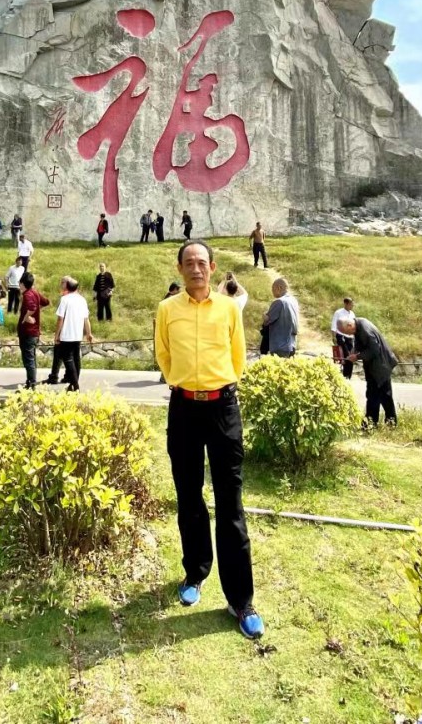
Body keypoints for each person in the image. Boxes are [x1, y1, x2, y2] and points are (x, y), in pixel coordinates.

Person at [155, 240, 264, 640]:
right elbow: (163, 356)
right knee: (188, 494)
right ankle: (195, 572)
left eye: (202, 262)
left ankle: (240, 599)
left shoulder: (229, 308)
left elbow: (238, 358)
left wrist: (218, 387)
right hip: (183, 408)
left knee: (230, 502)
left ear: (213, 268)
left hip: (222, 409)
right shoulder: (167, 310)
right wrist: (186, 386)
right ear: (181, 269)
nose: (196, 268)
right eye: (189, 263)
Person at [343, 318, 398, 428]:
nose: (350, 334)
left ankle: (385, 423)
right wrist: (352, 354)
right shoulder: (359, 326)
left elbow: (374, 349)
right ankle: (371, 423)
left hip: (381, 366)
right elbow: (360, 344)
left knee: (383, 396)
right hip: (375, 366)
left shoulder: (364, 329)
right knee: (374, 395)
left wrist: (357, 356)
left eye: (348, 332)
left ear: (350, 325)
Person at [53, 276, 93, 392]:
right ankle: (73, 384)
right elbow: (86, 319)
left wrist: (57, 335)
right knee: (76, 360)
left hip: (67, 334)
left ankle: (75, 386)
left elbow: (60, 319)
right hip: (77, 334)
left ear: (67, 287)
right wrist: (88, 333)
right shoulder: (82, 300)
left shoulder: (65, 299)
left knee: (68, 360)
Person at [18, 272, 50, 389]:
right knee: (31, 357)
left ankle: (31, 382)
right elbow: (46, 302)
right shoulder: (35, 292)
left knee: (28, 359)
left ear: (22, 283)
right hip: (34, 332)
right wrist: (37, 312)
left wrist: (26, 318)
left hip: (28, 332)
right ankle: (31, 380)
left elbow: (32, 308)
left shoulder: (27, 294)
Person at [264, 277, 299, 357]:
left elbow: (267, 321)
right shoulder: (294, 301)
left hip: (279, 346)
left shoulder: (279, 302)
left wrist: (264, 316)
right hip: (292, 344)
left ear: (279, 288)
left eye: (273, 288)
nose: (272, 291)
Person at [331, 297, 356, 378]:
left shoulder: (352, 313)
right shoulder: (338, 312)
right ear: (346, 304)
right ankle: (345, 375)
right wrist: (333, 336)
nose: (352, 306)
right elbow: (334, 325)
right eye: (350, 304)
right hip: (341, 336)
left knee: (351, 355)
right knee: (346, 355)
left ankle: (349, 375)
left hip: (350, 337)